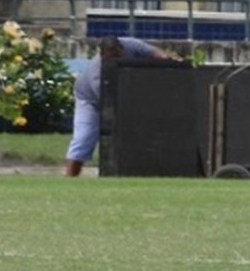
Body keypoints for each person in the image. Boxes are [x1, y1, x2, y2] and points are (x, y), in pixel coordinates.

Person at [65, 36, 171, 176]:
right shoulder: (96, 74)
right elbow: (109, 101)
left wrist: (169, 61)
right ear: (102, 55)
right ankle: (71, 178)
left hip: (125, 90)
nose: (114, 61)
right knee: (85, 136)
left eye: (117, 56)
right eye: (110, 59)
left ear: (122, 49)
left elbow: (155, 53)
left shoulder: (131, 45)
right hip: (90, 100)